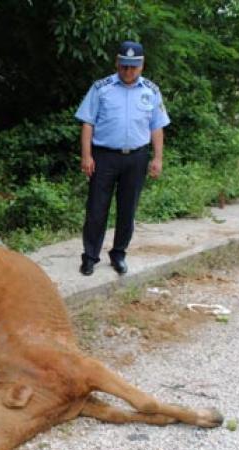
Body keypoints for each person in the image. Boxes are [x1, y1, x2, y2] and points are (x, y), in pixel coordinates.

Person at [75, 41, 170, 276]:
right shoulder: (101, 88)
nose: (128, 72)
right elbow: (88, 123)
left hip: (136, 158)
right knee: (97, 209)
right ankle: (90, 256)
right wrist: (86, 155)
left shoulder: (151, 91)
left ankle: (119, 254)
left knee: (128, 210)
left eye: (133, 67)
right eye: (124, 66)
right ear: (117, 63)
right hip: (104, 157)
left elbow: (156, 127)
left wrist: (158, 158)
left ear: (142, 66)